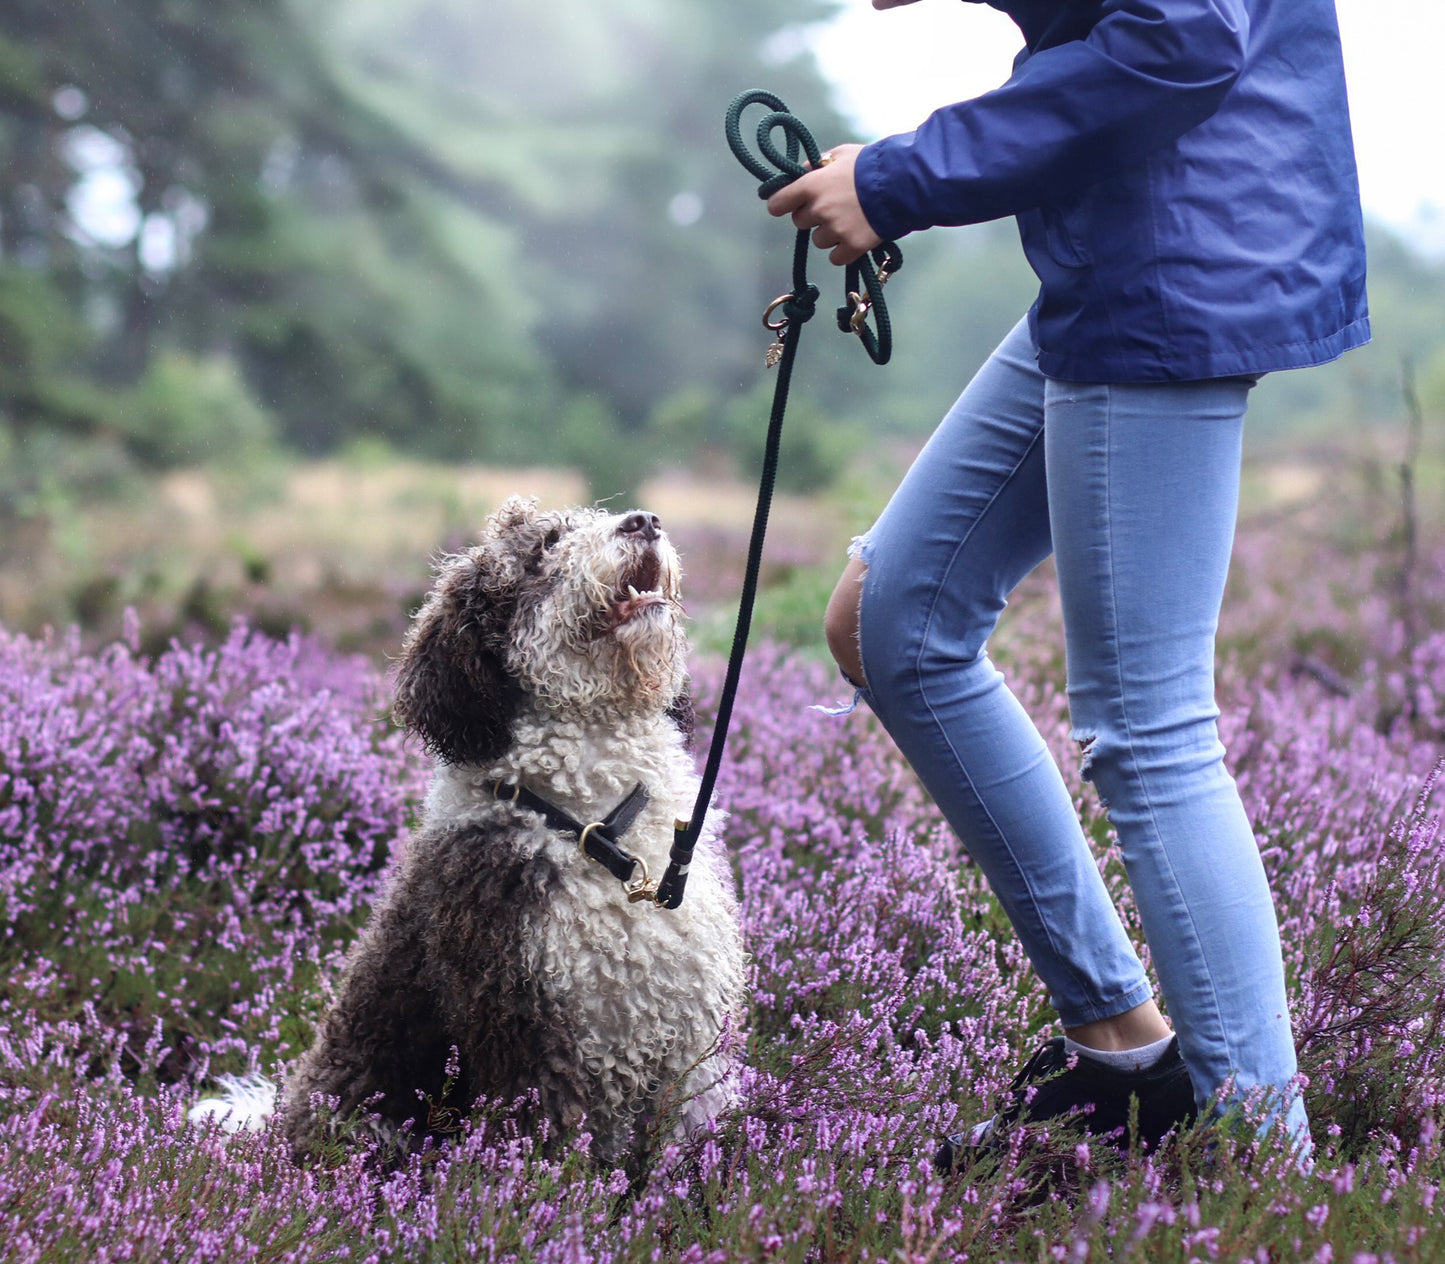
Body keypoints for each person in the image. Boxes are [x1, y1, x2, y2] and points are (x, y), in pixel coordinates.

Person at [767, 0, 1368, 1165]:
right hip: (1123, 244)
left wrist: (897, 178)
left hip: (1172, 261)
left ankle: (1263, 1164)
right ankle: (1124, 1053)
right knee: (893, 620)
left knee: (1148, 729)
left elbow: (1180, 37)